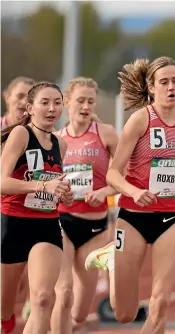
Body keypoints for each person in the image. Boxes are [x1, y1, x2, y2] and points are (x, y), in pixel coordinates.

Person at [84, 57, 175, 333]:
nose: (171, 87)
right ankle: (113, 261)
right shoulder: (140, 121)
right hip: (133, 218)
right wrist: (134, 191)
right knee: (124, 313)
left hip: (172, 218)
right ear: (151, 87)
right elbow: (113, 174)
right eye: (164, 82)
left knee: (160, 302)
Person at [1, 81, 74, 333]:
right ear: (30, 108)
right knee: (4, 310)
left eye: (57, 102)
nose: (52, 108)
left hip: (46, 225)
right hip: (13, 225)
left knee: (43, 299)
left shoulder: (60, 144)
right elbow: (1, 181)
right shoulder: (21, 135)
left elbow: (54, 184)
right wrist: (42, 187)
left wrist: (64, 193)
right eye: (45, 102)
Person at [49, 77, 119, 333]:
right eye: (80, 100)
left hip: (96, 229)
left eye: (90, 101)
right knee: (63, 292)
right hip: (62, 223)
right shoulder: (55, 140)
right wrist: (56, 191)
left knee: (79, 312)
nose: (86, 106)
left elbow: (125, 177)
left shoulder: (106, 134)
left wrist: (103, 192)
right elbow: (44, 183)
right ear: (67, 103)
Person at [1, 76, 37, 322]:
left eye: (29, 98)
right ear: (7, 98)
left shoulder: (39, 136)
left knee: (21, 279)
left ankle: (11, 313)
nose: (24, 102)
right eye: (20, 96)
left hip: (25, 213)